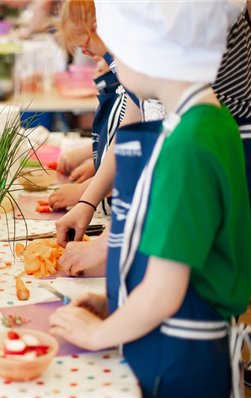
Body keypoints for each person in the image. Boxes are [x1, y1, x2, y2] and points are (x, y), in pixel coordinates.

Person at [49, 2, 250, 398]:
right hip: (188, 341)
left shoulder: (186, 148)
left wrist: (99, 334)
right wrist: (118, 300)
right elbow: (194, 262)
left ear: (150, 50)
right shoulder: (210, 122)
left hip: (176, 362)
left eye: (120, 51)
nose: (115, 65)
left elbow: (164, 292)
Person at [47, 0, 130, 211]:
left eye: (84, 45)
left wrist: (83, 192)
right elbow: (119, 143)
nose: (90, 55)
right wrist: (97, 164)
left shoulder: (132, 78)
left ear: (97, 27)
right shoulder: (121, 71)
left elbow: (136, 166)